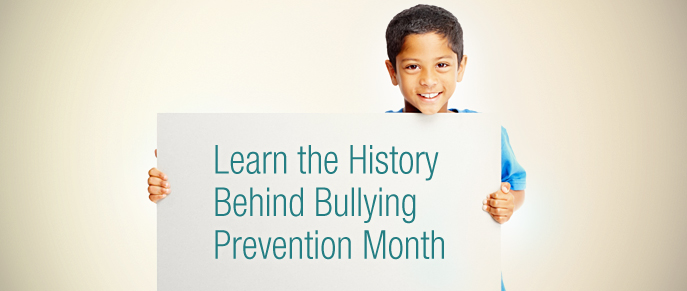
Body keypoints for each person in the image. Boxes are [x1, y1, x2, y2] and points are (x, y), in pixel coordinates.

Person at [146, 4, 525, 290]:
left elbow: (515, 185)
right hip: (396, 274)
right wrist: (191, 165)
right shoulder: (370, 138)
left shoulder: (482, 133)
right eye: (412, 67)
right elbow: (298, 187)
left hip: (469, 275)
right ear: (392, 72)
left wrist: (508, 203)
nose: (428, 79)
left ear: (461, 67)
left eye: (442, 65)